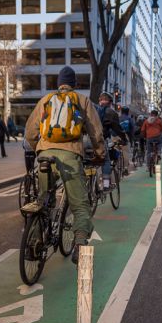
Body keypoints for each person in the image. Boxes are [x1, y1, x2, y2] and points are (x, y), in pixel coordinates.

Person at [24, 66, 106, 265]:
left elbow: (30, 132)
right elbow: (96, 132)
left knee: (43, 199)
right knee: (80, 205)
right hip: (70, 156)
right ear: (75, 84)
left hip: (44, 155)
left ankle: (34, 243)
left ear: (58, 83)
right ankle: (79, 243)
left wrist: (40, 149)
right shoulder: (82, 100)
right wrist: (99, 154)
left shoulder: (45, 100)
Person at [98, 92, 128, 186]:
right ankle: (106, 184)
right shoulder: (111, 113)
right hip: (100, 140)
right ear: (110, 103)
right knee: (106, 160)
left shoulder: (92, 108)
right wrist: (124, 140)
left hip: (86, 139)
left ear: (100, 101)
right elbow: (117, 129)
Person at [118, 106, 134, 175]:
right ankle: (125, 168)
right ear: (128, 112)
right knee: (125, 153)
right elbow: (132, 130)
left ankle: (115, 166)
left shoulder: (118, 118)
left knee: (116, 150)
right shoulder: (129, 119)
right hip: (125, 136)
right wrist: (131, 140)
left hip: (117, 136)